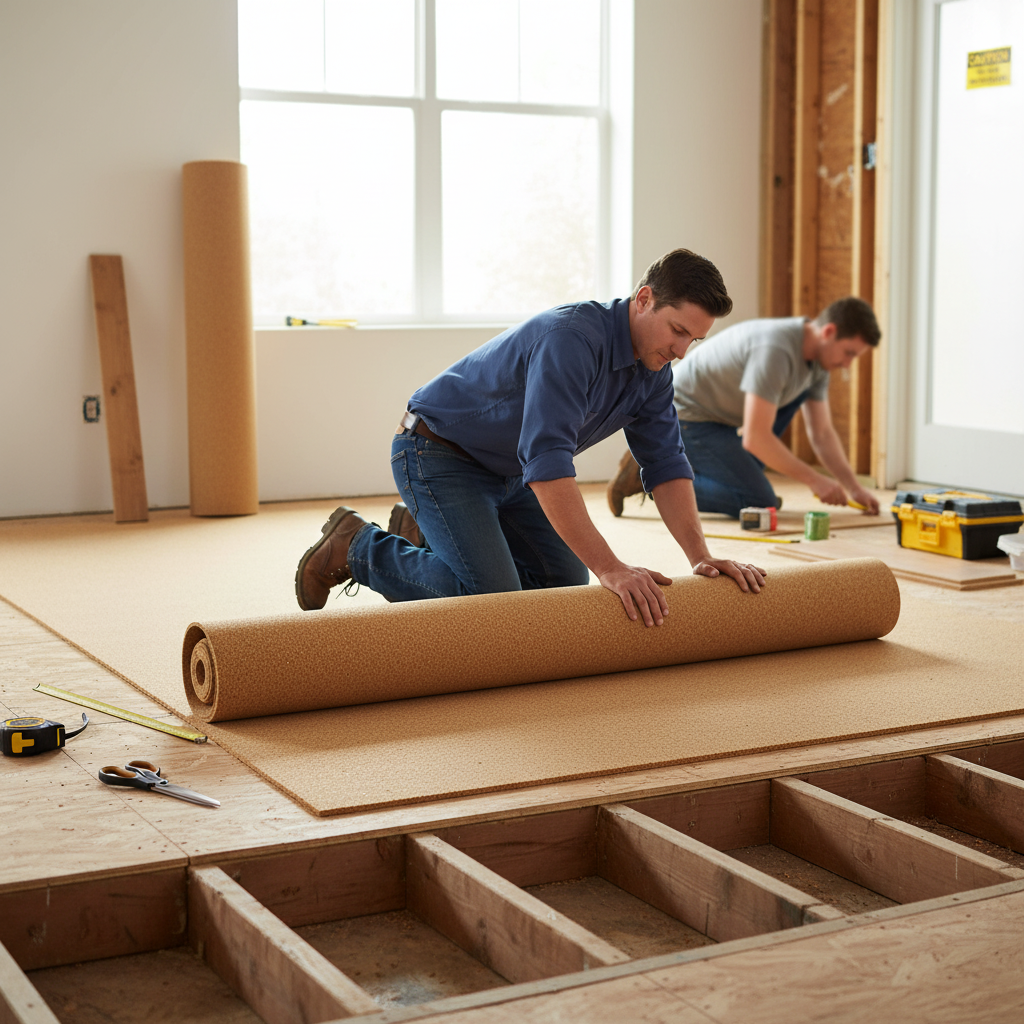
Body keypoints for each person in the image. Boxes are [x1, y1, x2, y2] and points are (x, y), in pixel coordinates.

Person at [295, 248, 768, 628]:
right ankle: (359, 547)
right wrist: (612, 566)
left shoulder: (654, 368)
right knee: (494, 606)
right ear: (644, 299)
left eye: (695, 341)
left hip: (508, 470)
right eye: (678, 331)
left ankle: (426, 536)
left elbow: (666, 464)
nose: (683, 351)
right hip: (436, 454)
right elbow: (547, 462)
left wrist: (700, 557)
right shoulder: (573, 339)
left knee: (560, 585)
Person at [607, 297, 882, 520]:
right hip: (684, 414)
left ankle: (679, 464)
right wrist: (815, 480)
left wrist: (854, 488)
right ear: (829, 332)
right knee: (760, 500)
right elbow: (756, 437)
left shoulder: (818, 363)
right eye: (849, 353)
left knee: (794, 399)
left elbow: (821, 433)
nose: (848, 364)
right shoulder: (777, 348)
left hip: (722, 420)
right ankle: (650, 477)